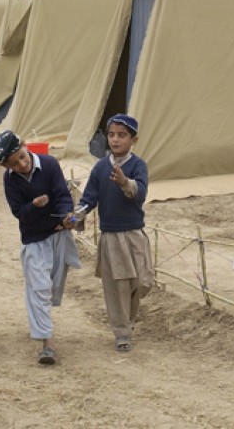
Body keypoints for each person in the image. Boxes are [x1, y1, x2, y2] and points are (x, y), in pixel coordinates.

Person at [0, 130, 80, 365]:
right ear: (6, 167)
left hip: (59, 234)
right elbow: (19, 213)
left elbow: (62, 195)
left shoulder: (49, 164)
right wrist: (34, 205)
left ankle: (41, 321)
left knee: (52, 286)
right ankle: (46, 343)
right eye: (15, 163)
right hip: (34, 239)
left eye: (22, 156)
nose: (22, 163)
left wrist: (66, 216)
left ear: (25, 146)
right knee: (38, 287)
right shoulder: (10, 180)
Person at [74, 114, 154, 353]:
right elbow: (89, 198)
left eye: (122, 135)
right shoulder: (100, 167)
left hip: (134, 233)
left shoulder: (138, 165)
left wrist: (123, 182)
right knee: (117, 285)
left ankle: (127, 320)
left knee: (141, 281)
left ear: (133, 139)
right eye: (111, 135)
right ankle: (121, 331)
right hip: (111, 236)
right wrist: (77, 215)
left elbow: (140, 193)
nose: (115, 140)